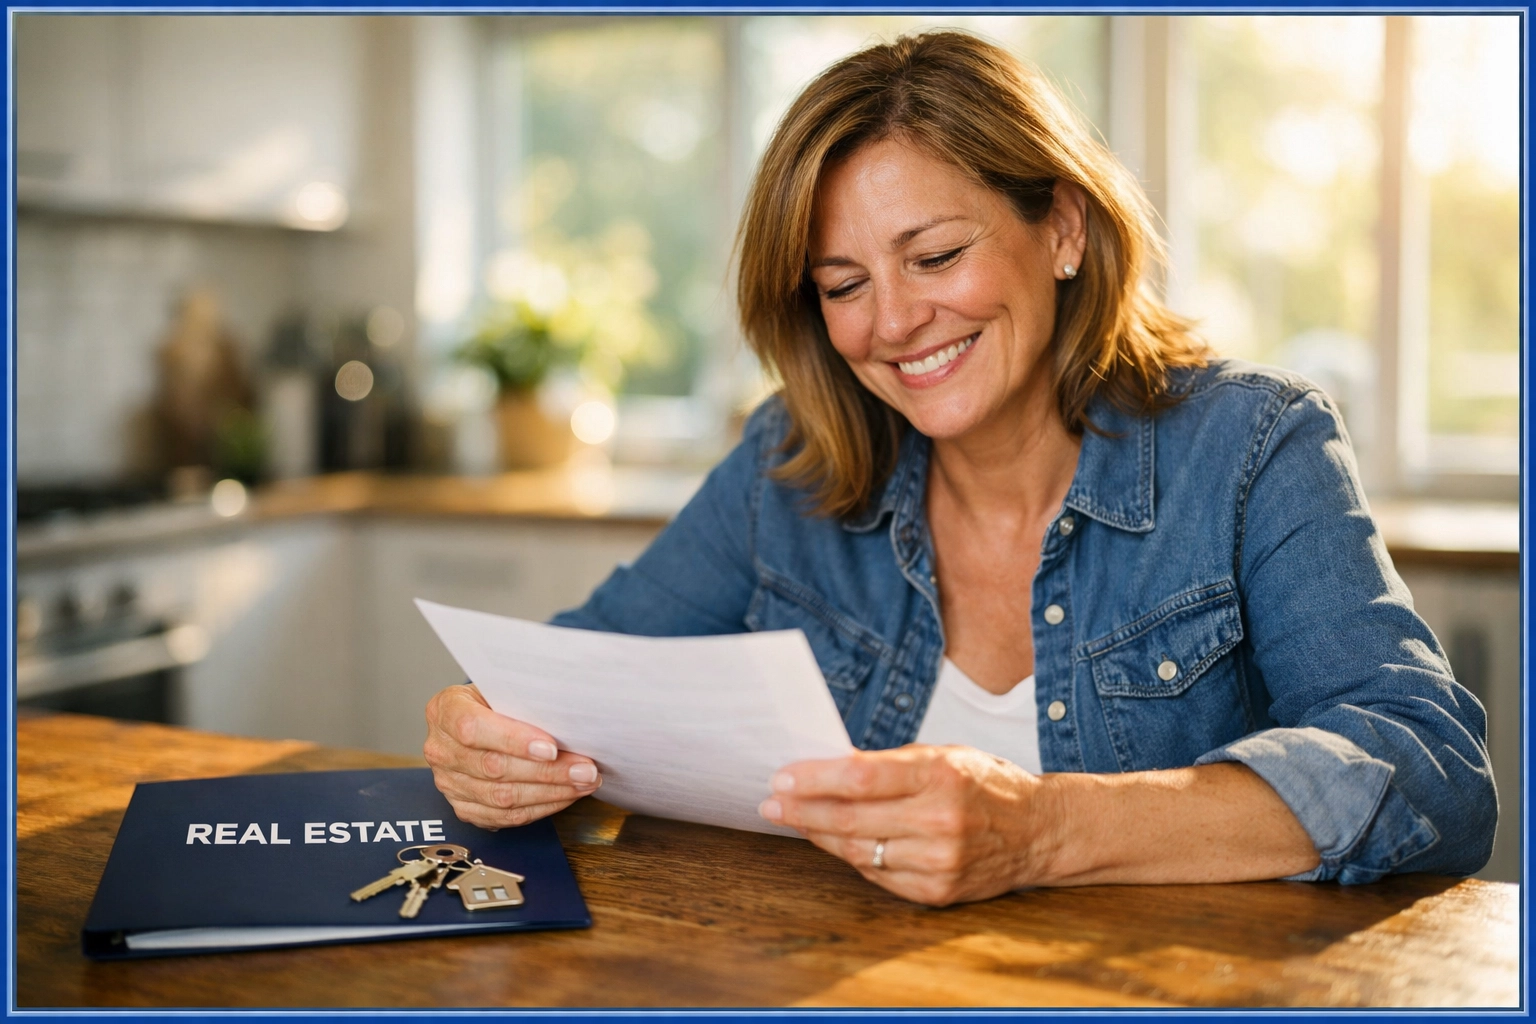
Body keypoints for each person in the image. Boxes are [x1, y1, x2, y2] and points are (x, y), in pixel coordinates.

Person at [424, 30, 1495, 906]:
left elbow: (1433, 775)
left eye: (935, 256)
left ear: (1063, 228)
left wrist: (1041, 830)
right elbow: (573, 676)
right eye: (842, 284)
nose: (892, 322)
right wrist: (487, 731)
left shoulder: (1256, 448)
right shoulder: (786, 461)